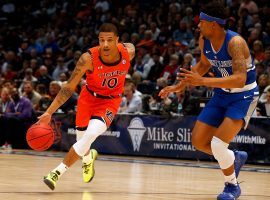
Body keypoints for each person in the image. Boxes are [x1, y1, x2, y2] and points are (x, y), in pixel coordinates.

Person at [159, 2, 258, 200]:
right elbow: (204, 64)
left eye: (201, 22)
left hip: (243, 96)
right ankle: (234, 157)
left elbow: (239, 79)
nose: (198, 26)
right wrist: (180, 85)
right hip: (222, 93)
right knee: (198, 141)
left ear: (213, 24)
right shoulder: (204, 39)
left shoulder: (235, 43)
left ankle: (232, 186)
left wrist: (202, 81)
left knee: (218, 145)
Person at [37, 23, 135, 190]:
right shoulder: (87, 59)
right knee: (81, 141)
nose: (105, 44)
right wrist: (49, 112)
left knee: (90, 135)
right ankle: (88, 158)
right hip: (88, 99)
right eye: (101, 40)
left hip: (110, 102)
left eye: (109, 40)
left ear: (117, 41)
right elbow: (68, 87)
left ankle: (56, 173)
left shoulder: (129, 51)